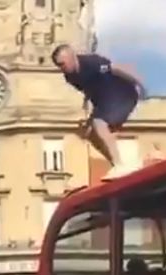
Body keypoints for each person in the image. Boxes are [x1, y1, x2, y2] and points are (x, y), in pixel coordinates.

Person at [51, 44, 146, 180]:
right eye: (59, 66)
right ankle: (119, 163)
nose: (62, 68)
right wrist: (88, 117)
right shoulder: (70, 77)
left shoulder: (92, 63)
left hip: (123, 94)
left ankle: (121, 164)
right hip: (105, 101)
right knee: (90, 133)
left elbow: (119, 68)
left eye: (63, 64)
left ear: (72, 56)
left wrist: (141, 86)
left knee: (99, 123)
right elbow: (88, 91)